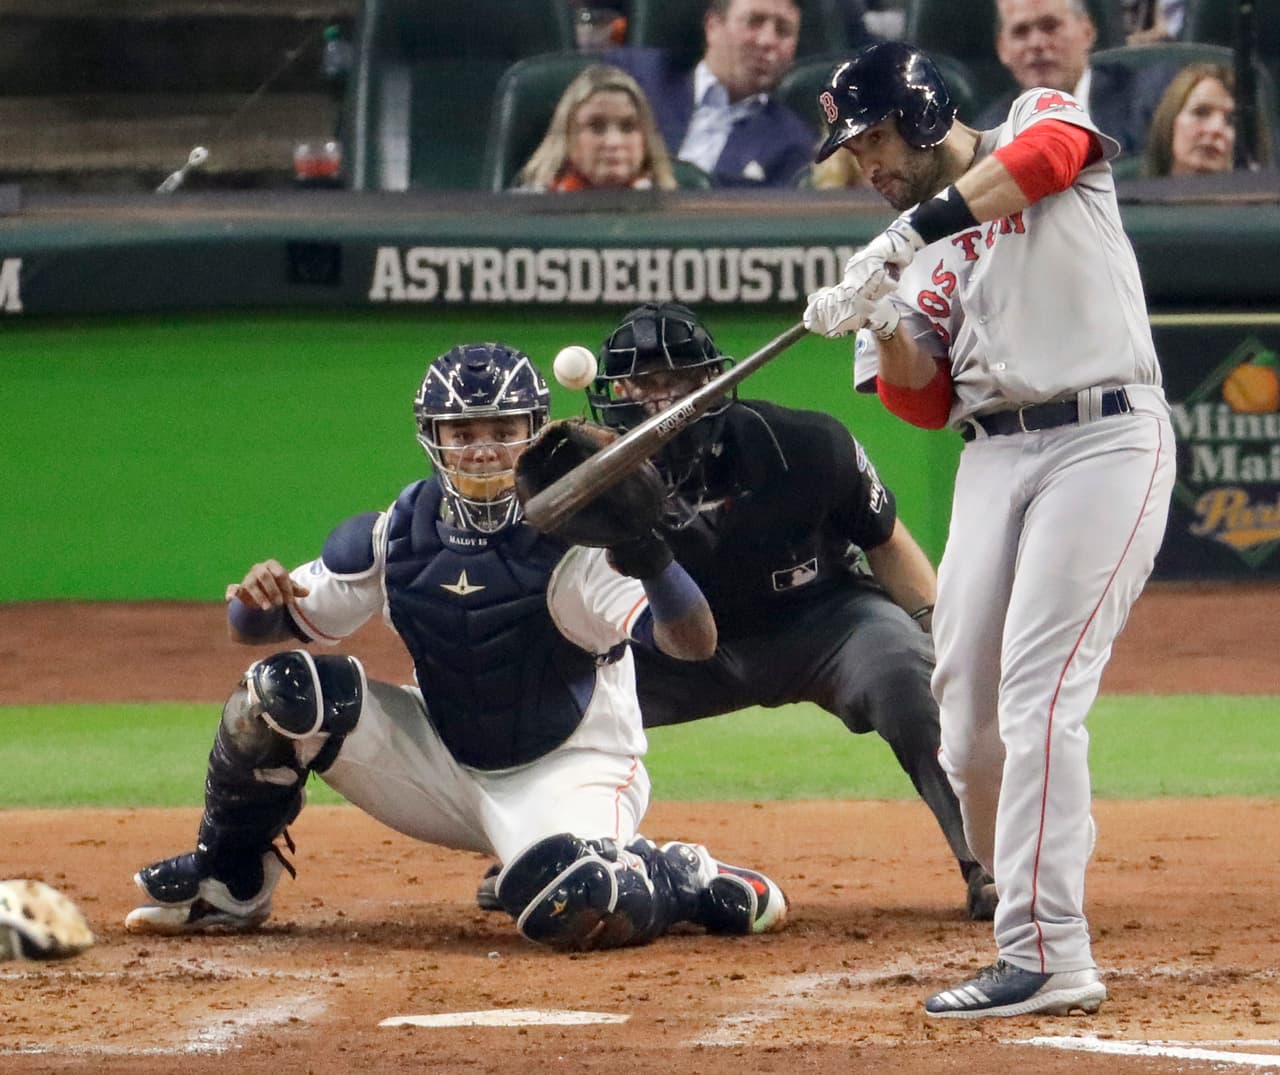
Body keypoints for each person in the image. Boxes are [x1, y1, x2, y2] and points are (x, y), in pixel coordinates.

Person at [124, 343, 788, 952]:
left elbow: (694, 641)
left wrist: (647, 550)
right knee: (277, 694)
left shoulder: (583, 542)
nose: (482, 450)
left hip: (569, 769)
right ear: (432, 437)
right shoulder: (400, 532)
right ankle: (229, 880)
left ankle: (677, 873)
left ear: (535, 432)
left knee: (574, 898)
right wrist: (255, 595)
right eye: (462, 433)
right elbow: (257, 629)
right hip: (441, 759)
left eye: (501, 431)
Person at [804, 40, 1175, 1018]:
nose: (867, 164)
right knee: (961, 717)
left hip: (1103, 436)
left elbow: (1050, 159)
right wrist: (882, 314)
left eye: (875, 137)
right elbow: (922, 403)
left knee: (1038, 697)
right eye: (853, 149)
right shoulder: (910, 247)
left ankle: (1047, 951)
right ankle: (1011, 899)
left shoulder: (1025, 122)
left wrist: (903, 236)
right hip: (992, 452)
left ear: (924, 115)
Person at [489, 301, 1000, 922]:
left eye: (674, 381)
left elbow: (885, 539)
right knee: (549, 693)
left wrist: (938, 640)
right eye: (641, 382)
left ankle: (990, 863)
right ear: (612, 394)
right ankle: (547, 850)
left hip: (822, 625)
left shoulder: (804, 444)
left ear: (713, 383)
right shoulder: (586, 483)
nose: (658, 398)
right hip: (673, 650)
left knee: (907, 672)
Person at [609, 0, 817, 187]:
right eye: (754, 22)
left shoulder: (793, 145)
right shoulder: (636, 77)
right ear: (713, 26)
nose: (767, 41)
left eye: (783, 30)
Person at [974, 0, 1173, 159]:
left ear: (1087, 32)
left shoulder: (1146, 101)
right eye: (1021, 32)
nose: (1036, 44)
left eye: (1050, 27)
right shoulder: (986, 138)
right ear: (1002, 49)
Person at [516, 64, 678, 192]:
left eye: (628, 127)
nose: (613, 142)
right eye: (596, 126)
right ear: (567, 135)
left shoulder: (678, 214)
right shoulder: (525, 212)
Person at [1143, 63, 1271, 176]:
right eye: (1201, 112)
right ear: (1170, 123)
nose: (1215, 128)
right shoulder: (1126, 199)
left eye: (1232, 121)